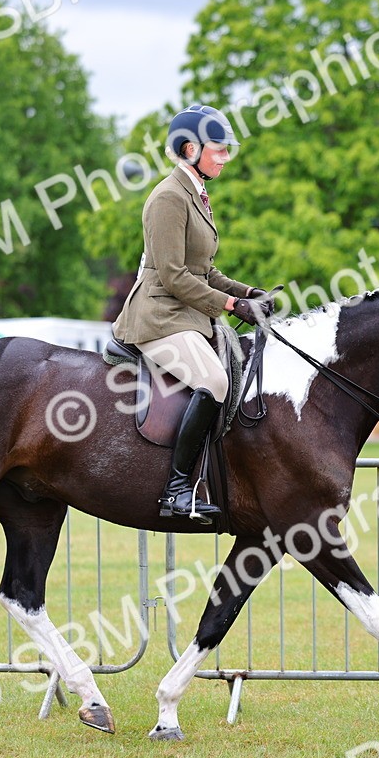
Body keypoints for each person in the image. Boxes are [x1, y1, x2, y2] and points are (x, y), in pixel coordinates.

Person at [112, 103, 274, 524]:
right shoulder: (168, 197)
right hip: (157, 316)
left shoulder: (196, 194)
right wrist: (233, 306)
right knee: (213, 379)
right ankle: (178, 490)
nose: (225, 157)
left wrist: (249, 292)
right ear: (189, 149)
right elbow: (173, 276)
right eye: (218, 150)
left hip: (184, 315)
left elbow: (206, 270)